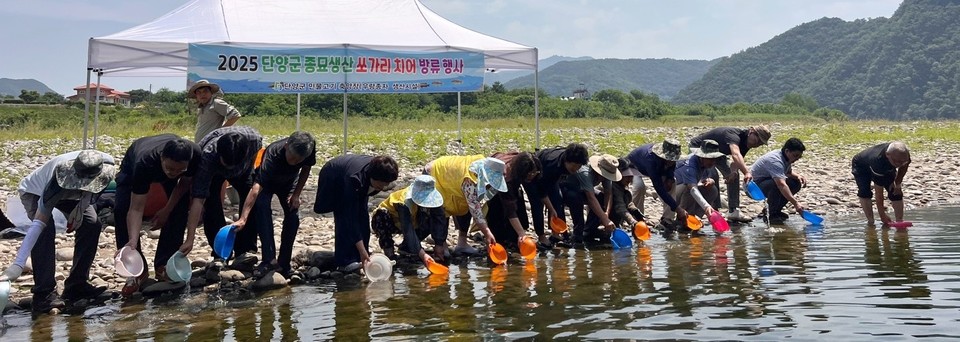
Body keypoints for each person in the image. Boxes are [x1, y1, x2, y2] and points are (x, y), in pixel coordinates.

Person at [1, 150, 116, 314]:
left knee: (91, 223)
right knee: (46, 229)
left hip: (76, 196)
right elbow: (38, 224)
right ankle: (43, 294)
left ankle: (77, 286)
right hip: (36, 191)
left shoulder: (107, 167)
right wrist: (18, 264)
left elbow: (92, 194)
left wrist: (79, 211)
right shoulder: (58, 175)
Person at [114, 134, 201, 295]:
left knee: (179, 208)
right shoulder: (145, 163)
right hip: (132, 164)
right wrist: (132, 239)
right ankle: (136, 271)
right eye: (170, 168)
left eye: (179, 170)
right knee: (121, 210)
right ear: (162, 158)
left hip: (168, 168)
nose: (173, 173)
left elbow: (183, 186)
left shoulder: (194, 155)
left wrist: (166, 210)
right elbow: (136, 208)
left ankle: (165, 264)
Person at [179, 126, 263, 272]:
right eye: (227, 165)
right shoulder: (207, 156)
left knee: (252, 202)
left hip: (243, 171)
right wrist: (190, 238)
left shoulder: (254, 140)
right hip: (214, 172)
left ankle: (245, 251)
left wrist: (244, 217)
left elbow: (254, 163)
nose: (230, 169)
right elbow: (198, 200)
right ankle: (220, 254)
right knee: (212, 206)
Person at [232, 131, 316, 277]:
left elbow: (306, 169)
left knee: (293, 216)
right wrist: (243, 217)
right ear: (286, 146)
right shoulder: (272, 155)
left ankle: (284, 263)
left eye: (299, 160)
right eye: (292, 158)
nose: (295, 162)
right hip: (267, 183)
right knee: (262, 211)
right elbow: (257, 188)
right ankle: (268, 260)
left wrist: (296, 194)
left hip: (289, 182)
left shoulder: (309, 148)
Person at [313, 154, 399, 272]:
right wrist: (362, 250)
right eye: (381, 184)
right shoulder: (354, 179)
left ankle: (361, 258)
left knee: (363, 216)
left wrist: (364, 251)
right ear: (372, 177)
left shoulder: (379, 169)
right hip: (334, 176)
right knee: (345, 216)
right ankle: (344, 261)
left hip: (356, 179)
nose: (384, 187)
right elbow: (351, 220)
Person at [424, 155, 507, 256]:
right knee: (441, 209)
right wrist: (487, 232)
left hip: (453, 177)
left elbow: (473, 203)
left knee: (464, 206)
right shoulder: (470, 180)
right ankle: (441, 245)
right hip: (435, 173)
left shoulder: (483, 164)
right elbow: (475, 211)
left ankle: (462, 243)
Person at [689, 126, 771, 221]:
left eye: (761, 143)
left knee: (734, 176)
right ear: (751, 132)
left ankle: (733, 211)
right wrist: (747, 172)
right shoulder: (733, 135)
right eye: (758, 140)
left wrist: (734, 172)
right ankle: (714, 211)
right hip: (699, 148)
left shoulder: (746, 144)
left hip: (717, 153)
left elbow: (735, 162)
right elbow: (735, 154)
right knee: (713, 175)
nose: (758, 144)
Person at [371, 175, 446, 266]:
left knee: (430, 218)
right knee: (382, 215)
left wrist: (439, 244)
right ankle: (390, 254)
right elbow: (407, 229)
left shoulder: (434, 200)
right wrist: (423, 255)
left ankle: (406, 247)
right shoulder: (403, 201)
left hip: (413, 221)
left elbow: (439, 219)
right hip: (391, 221)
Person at [525, 143, 589, 246]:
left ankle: (556, 233)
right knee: (537, 204)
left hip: (550, 176)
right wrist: (551, 208)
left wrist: (553, 208)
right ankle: (541, 236)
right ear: (566, 161)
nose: (576, 169)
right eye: (574, 166)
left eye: (579, 166)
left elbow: (552, 187)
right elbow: (542, 192)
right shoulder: (552, 165)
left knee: (557, 199)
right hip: (532, 174)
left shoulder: (567, 160)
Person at [663, 140, 726, 238]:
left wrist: (710, 181)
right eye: (710, 158)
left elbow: (701, 181)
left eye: (714, 159)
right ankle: (683, 219)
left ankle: (695, 219)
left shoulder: (706, 164)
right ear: (702, 156)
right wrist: (706, 207)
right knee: (689, 188)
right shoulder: (690, 165)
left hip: (686, 192)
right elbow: (692, 188)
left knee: (713, 190)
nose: (713, 162)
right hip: (671, 195)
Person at [485, 151, 541, 251]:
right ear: (522, 171)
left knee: (519, 203)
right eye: (530, 173)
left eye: (535, 172)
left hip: (507, 176)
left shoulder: (521, 160)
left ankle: (514, 239)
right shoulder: (506, 177)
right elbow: (510, 210)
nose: (532, 176)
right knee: (497, 208)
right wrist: (522, 235)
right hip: (493, 182)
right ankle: (498, 241)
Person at [851, 141, 911, 225]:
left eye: (902, 162)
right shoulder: (879, 161)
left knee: (895, 192)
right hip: (861, 165)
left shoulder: (904, 157)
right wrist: (882, 215)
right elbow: (879, 194)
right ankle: (871, 222)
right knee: (865, 191)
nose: (899, 164)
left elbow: (903, 168)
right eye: (896, 162)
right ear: (887, 155)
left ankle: (899, 220)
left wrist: (897, 184)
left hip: (886, 164)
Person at [626, 139, 684, 225]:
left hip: (654, 169)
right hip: (634, 167)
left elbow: (671, 168)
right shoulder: (650, 159)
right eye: (669, 159)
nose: (671, 162)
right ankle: (638, 218)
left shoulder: (671, 161)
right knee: (639, 187)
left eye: (673, 160)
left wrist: (669, 178)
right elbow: (658, 186)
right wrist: (677, 208)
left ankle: (667, 218)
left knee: (672, 182)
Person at [566, 154, 620, 244]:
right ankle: (578, 234)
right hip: (569, 191)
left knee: (600, 197)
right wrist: (605, 219)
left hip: (585, 190)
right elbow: (590, 197)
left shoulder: (607, 172)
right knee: (577, 199)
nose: (604, 178)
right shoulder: (585, 173)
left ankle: (589, 231)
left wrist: (606, 213)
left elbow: (608, 193)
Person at [751, 138, 807, 224]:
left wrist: (798, 176)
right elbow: (781, 185)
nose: (797, 159)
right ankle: (770, 215)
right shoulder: (775, 160)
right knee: (777, 185)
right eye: (795, 156)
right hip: (754, 188)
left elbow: (787, 172)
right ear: (787, 151)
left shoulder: (785, 157)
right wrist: (796, 204)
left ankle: (775, 211)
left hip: (767, 181)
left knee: (795, 183)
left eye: (799, 157)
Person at [608, 159, 644, 230]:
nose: (630, 179)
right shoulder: (612, 186)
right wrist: (632, 221)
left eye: (631, 176)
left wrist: (636, 212)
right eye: (627, 176)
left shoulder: (623, 186)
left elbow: (628, 202)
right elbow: (620, 207)